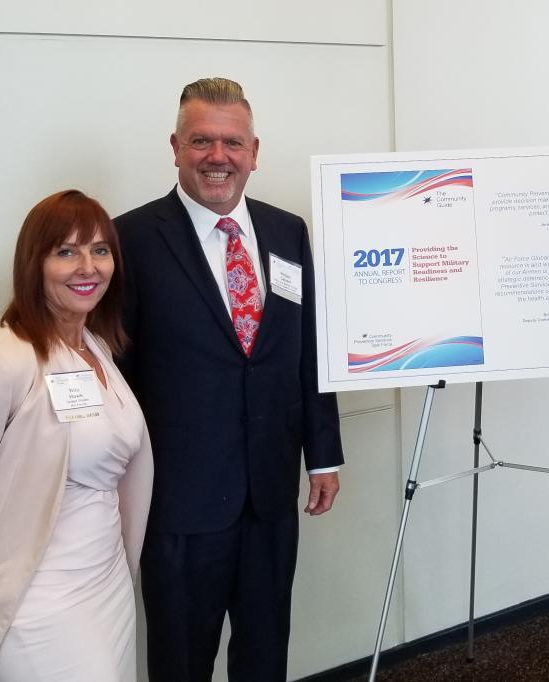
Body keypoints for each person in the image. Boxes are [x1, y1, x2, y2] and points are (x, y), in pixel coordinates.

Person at [114, 77, 345, 681]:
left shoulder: (286, 231)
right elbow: (116, 374)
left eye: (232, 143)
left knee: (265, 653)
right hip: (180, 503)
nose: (218, 157)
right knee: (181, 661)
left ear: (254, 150)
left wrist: (322, 455)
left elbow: (306, 348)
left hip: (271, 492)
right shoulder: (129, 240)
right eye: (201, 141)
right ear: (174, 146)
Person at [0, 190, 153, 681]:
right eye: (66, 251)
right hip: (35, 603)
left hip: (106, 584)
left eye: (100, 250)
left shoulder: (95, 345)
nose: (88, 266)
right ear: (34, 263)